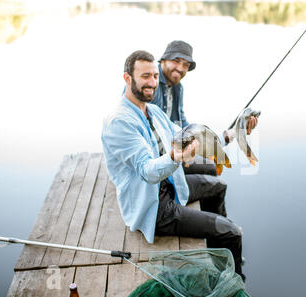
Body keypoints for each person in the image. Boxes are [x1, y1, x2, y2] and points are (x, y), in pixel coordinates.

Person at [102, 50, 245, 279]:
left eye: (155, 76)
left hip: (170, 185)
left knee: (218, 185)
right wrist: (175, 157)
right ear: (127, 79)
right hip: (154, 206)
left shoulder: (153, 110)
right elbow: (147, 171)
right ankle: (234, 283)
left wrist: (229, 135)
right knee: (232, 231)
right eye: (145, 76)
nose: (152, 82)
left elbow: (188, 134)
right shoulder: (119, 122)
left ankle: (216, 244)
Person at [123, 40, 258, 176]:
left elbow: (182, 126)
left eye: (186, 65)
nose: (181, 68)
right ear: (163, 60)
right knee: (216, 185)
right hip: (155, 162)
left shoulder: (177, 88)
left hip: (174, 150)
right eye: (176, 61)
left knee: (212, 168)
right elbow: (137, 122)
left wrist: (231, 134)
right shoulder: (150, 86)